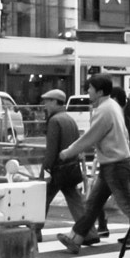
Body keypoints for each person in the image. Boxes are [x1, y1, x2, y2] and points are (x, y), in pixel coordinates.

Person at [55, 75, 130, 254]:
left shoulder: (104, 110)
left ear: (99, 91)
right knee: (93, 203)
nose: (87, 92)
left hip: (114, 164)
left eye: (90, 88)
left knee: (127, 205)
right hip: (114, 163)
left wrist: (68, 152)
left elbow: (91, 136)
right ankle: (75, 239)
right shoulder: (113, 106)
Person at [38, 90, 91, 233]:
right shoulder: (69, 119)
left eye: (48, 101)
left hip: (57, 169)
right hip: (70, 168)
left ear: (55, 102)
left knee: (41, 199)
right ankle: (88, 232)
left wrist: (46, 169)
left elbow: (52, 149)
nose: (45, 105)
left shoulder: (55, 121)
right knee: (76, 202)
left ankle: (34, 232)